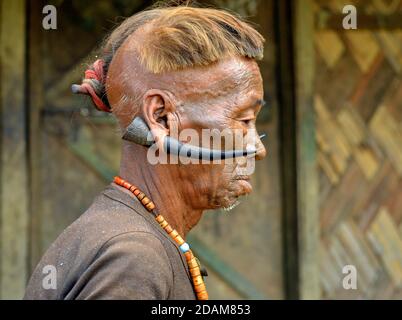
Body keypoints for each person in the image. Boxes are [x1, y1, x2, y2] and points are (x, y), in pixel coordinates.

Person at [24, 4, 267, 300]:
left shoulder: (126, 237)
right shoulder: (133, 258)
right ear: (162, 117)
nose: (258, 148)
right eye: (243, 120)